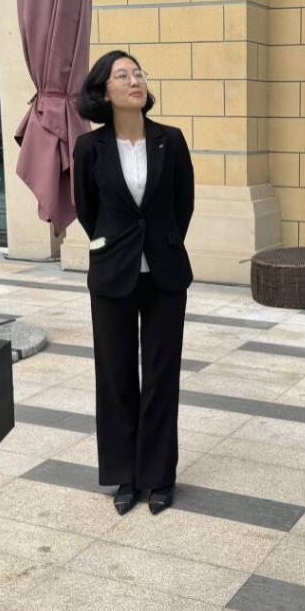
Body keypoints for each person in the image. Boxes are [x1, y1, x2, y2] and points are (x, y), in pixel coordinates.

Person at [73, 51, 195, 516]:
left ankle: (159, 475)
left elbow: (183, 203)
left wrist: (161, 243)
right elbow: (88, 209)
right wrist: (117, 246)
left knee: (161, 376)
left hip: (165, 273)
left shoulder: (170, 140)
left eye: (138, 73)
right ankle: (125, 474)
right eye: (122, 75)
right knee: (116, 375)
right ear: (104, 91)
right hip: (112, 273)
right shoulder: (90, 148)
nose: (134, 80)